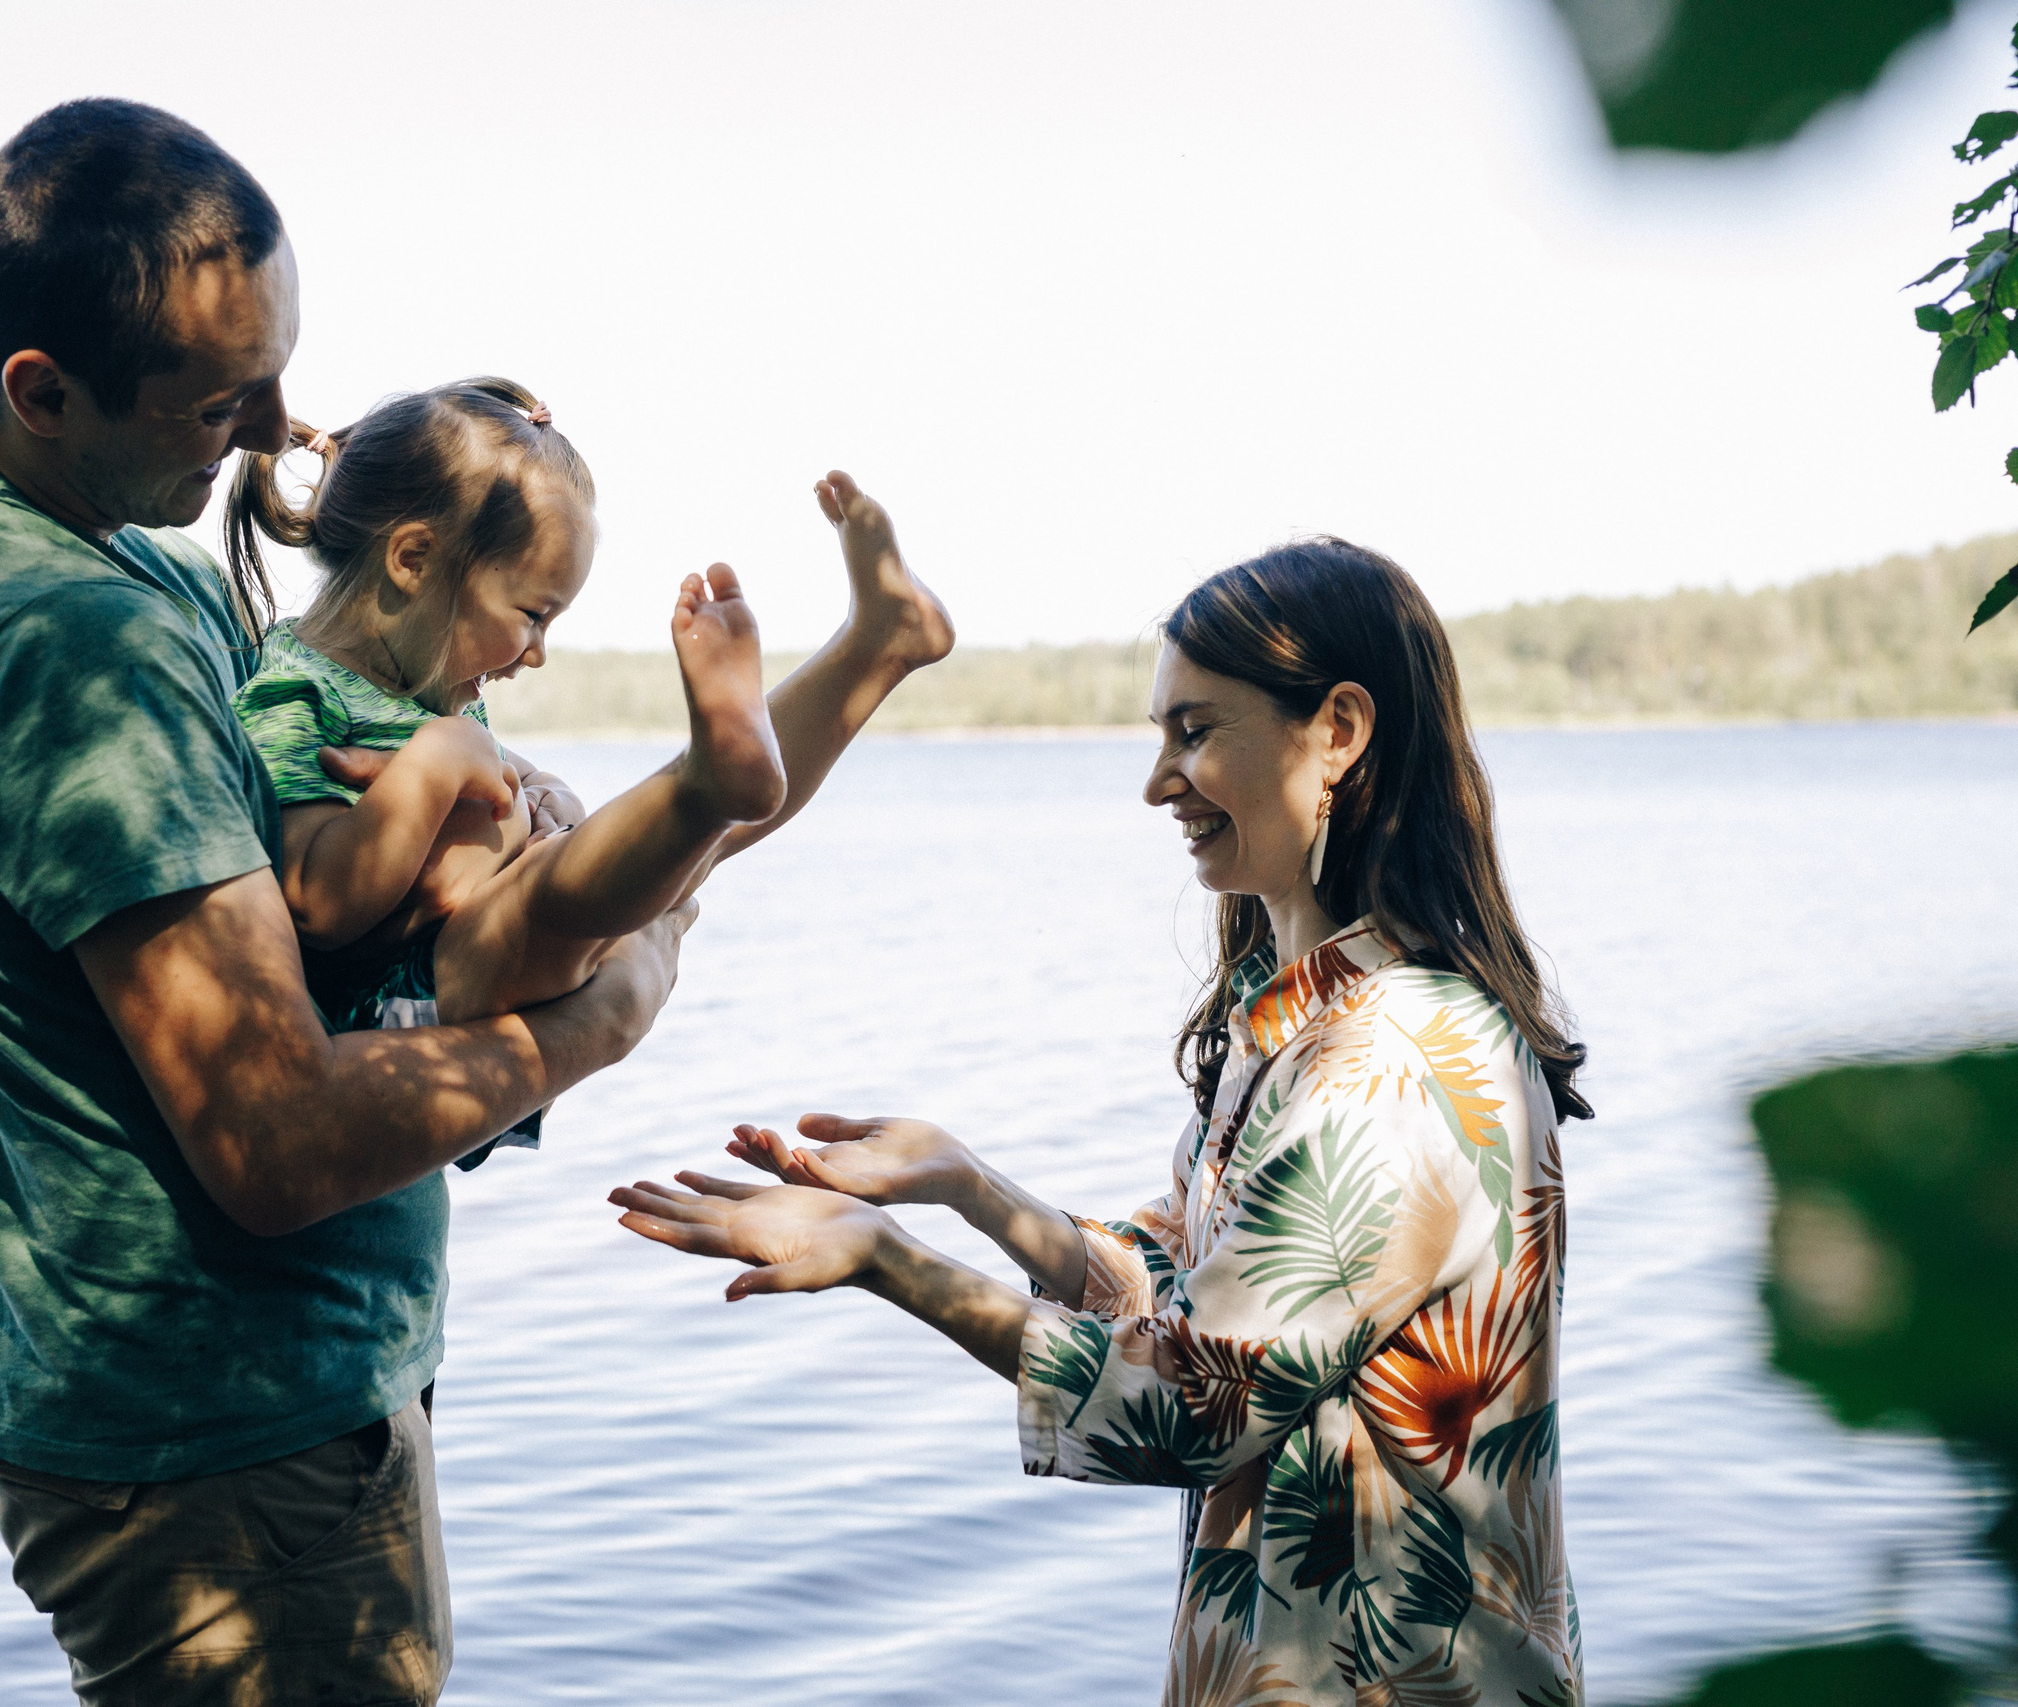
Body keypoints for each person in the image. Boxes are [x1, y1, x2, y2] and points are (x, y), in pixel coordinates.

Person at [0, 99, 692, 1705]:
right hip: (223, 1460)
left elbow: (346, 751)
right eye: (226, 396)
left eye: (283, 372)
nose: (272, 430)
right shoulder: (66, 639)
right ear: (41, 389)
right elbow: (278, 1136)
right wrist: (600, 1018)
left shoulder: (98, 554)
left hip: (219, 1425)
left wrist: (511, 805)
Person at [610, 539, 1591, 1704]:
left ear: (1338, 729)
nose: (1157, 782)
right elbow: (1189, 1294)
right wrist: (971, 1188)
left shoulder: (1396, 1060)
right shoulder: (1297, 1020)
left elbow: (1190, 1402)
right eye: (1158, 735)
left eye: (1194, 731)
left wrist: (887, 1262)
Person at [219, 382, 951, 1149]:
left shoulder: (417, 685)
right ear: (413, 558)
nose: (536, 654)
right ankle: (714, 777)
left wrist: (533, 789)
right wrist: (438, 766)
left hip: (463, 959)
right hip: (385, 1017)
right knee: (558, 894)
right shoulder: (294, 695)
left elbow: (491, 784)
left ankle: (874, 648)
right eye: (532, 615)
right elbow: (317, 904)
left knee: (683, 842)